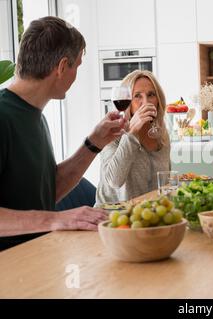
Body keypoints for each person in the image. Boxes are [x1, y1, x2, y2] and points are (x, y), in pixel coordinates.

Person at [0, 17, 127, 250]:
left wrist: (93, 144)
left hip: (39, 259)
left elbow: (49, 191)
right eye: (76, 66)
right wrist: (57, 219)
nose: (75, 76)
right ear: (61, 67)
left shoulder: (35, 116)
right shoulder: (3, 115)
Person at [95, 70, 171, 204]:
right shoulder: (113, 133)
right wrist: (132, 133)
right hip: (112, 217)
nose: (146, 102)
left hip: (147, 215)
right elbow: (114, 181)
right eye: (137, 96)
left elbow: (164, 183)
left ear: (158, 100)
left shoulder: (161, 136)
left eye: (151, 95)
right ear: (127, 102)